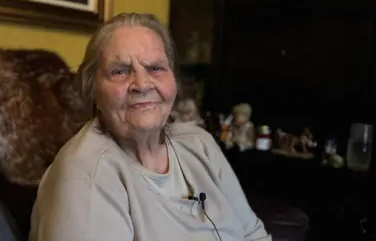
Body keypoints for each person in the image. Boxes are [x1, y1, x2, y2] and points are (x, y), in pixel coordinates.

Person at [29, 12, 272, 241]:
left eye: (155, 68)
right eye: (120, 71)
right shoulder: (84, 179)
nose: (142, 83)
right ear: (92, 90)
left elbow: (252, 233)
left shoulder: (199, 143)